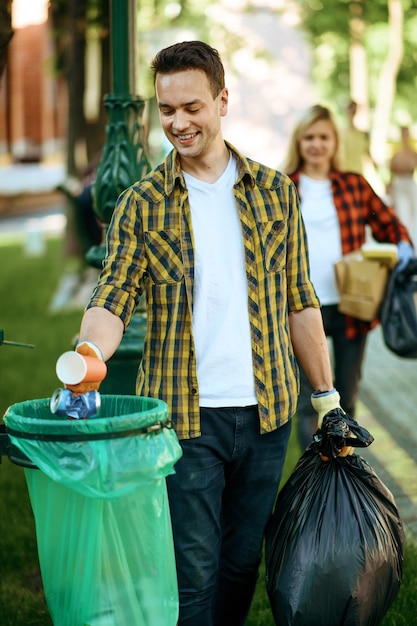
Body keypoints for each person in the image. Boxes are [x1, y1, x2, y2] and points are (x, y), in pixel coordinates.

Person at [67, 43, 349, 626]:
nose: (177, 123)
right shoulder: (142, 202)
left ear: (223, 101)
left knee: (242, 565)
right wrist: (88, 356)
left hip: (268, 414)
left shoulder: (275, 192)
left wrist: (326, 400)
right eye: (166, 110)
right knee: (192, 577)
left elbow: (300, 300)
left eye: (191, 107)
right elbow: (112, 297)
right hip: (184, 419)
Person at [282, 104, 414, 451]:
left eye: (323, 137)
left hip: (351, 305)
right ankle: (314, 476)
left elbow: (388, 224)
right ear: (299, 141)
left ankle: (343, 473)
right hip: (300, 308)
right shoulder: (284, 187)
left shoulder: (353, 185)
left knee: (346, 397)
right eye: (309, 137)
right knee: (310, 399)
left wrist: (403, 246)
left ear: (334, 142)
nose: (316, 144)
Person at [388, 125, 417, 243]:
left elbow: (412, 165)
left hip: (410, 182)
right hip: (399, 183)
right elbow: (393, 168)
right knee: (402, 212)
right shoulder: (396, 150)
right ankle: (404, 239)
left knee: (414, 212)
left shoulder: (412, 149)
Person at [341, 100, 376, 175]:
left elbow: (368, 154)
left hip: (357, 173)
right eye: (350, 108)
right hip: (342, 173)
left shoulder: (363, 135)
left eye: (354, 109)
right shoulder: (339, 134)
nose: (352, 112)